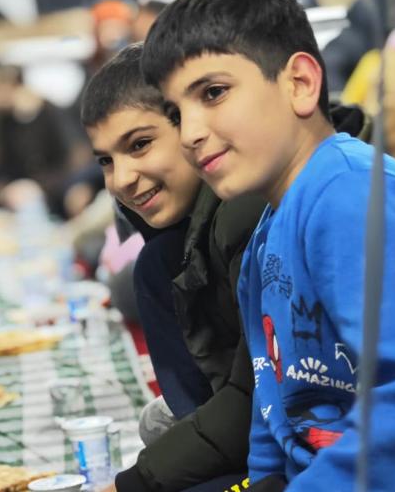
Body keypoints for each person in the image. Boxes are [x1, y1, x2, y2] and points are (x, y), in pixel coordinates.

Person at [142, 0, 395, 491]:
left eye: (213, 93)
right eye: (177, 114)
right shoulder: (267, 231)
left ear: (300, 84)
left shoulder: (349, 194)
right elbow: (274, 410)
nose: (190, 133)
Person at [83, 43, 264, 491]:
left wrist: (135, 483)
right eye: (106, 161)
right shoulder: (170, 249)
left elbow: (255, 406)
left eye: (140, 145)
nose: (121, 179)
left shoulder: (249, 214)